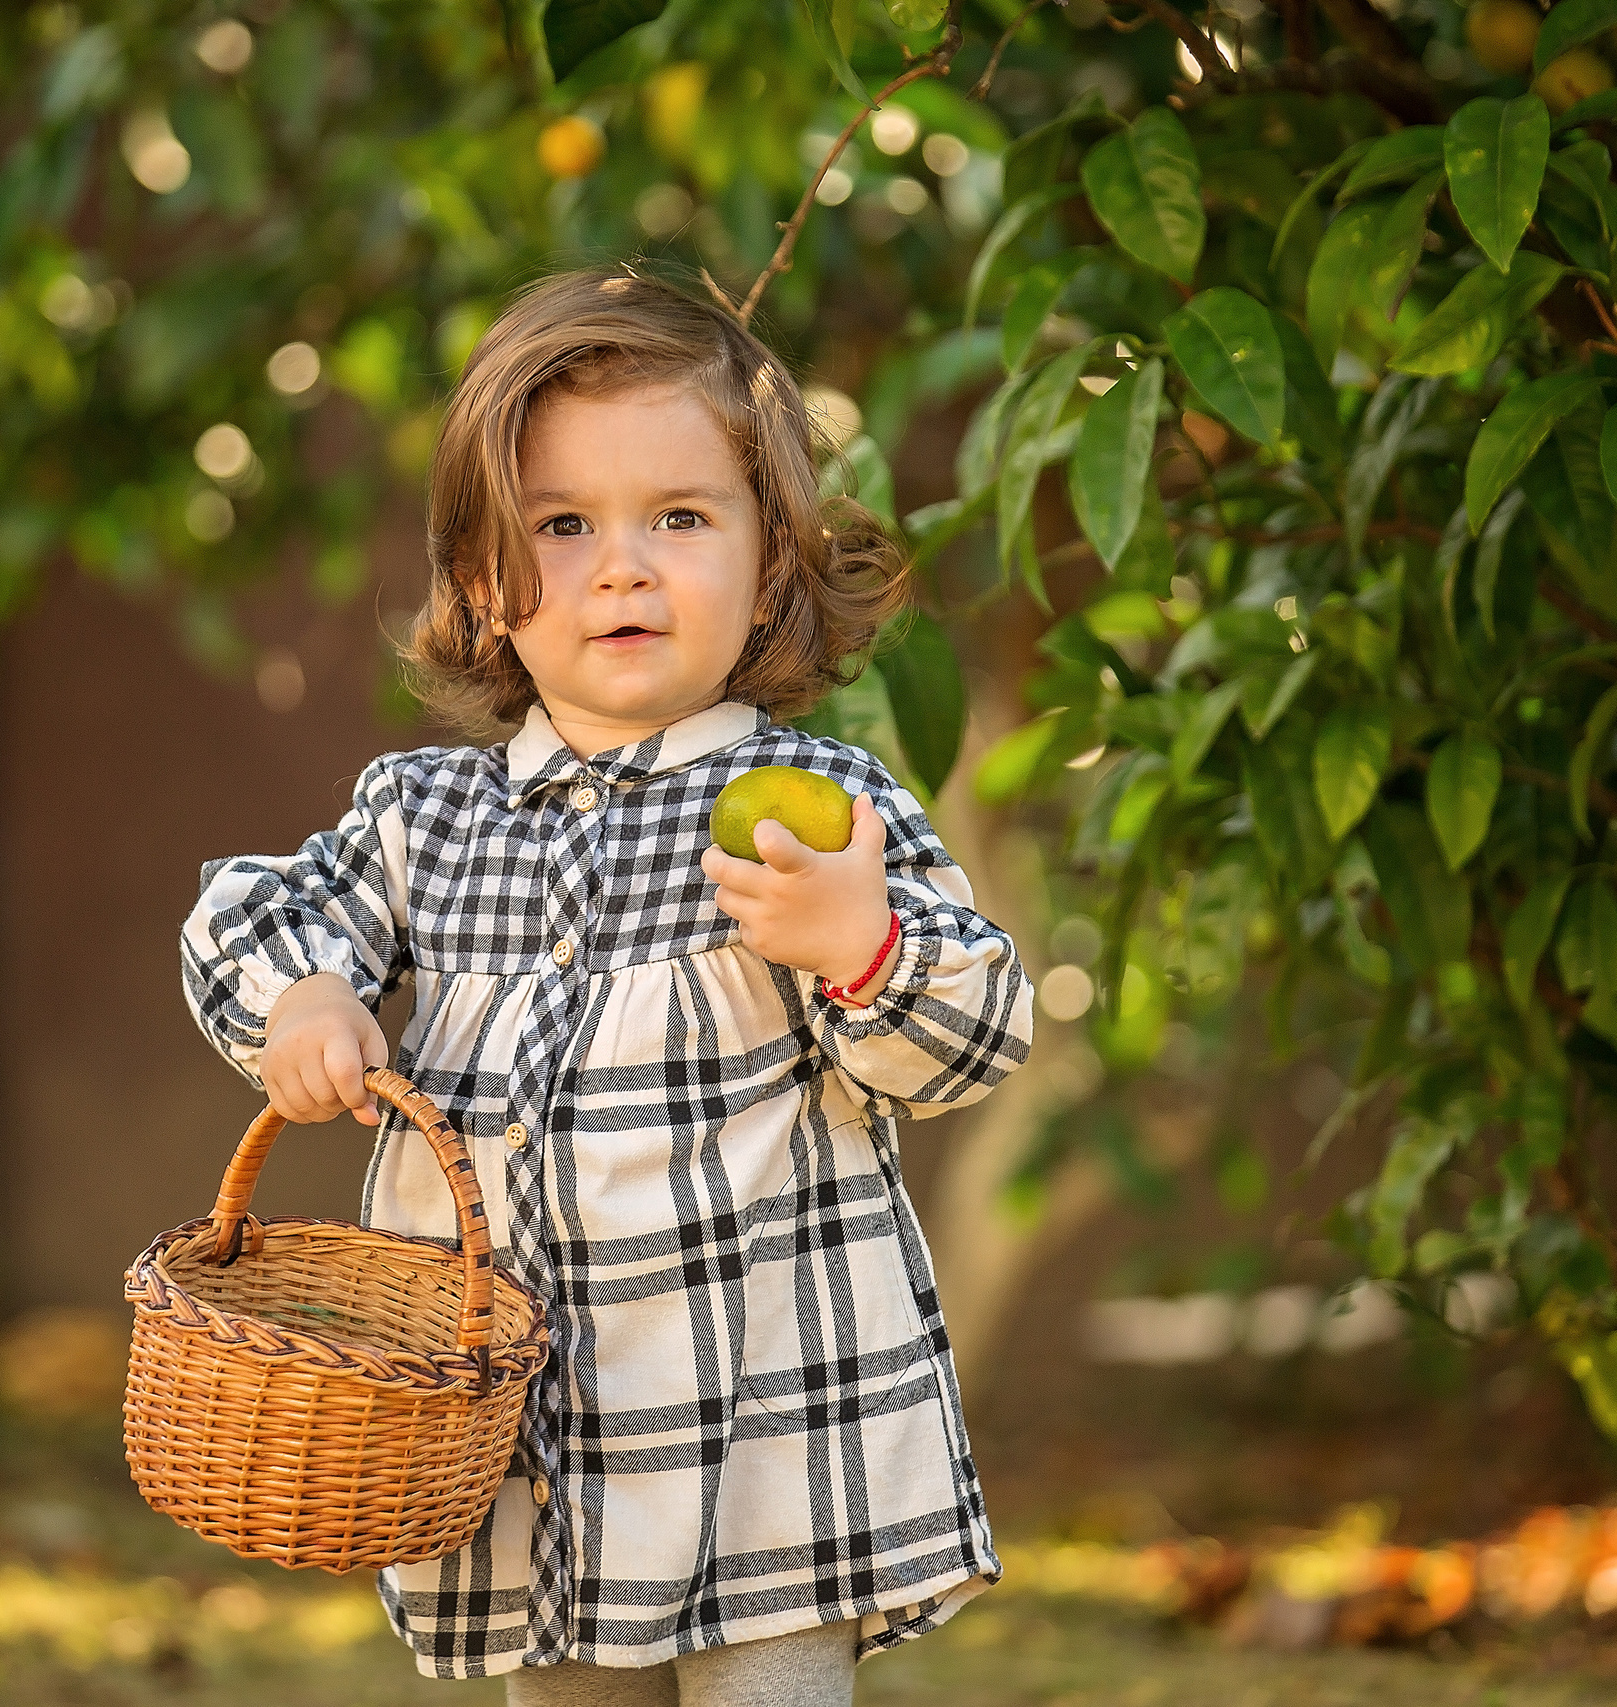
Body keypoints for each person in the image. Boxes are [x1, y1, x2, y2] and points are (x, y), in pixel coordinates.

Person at [178, 265, 1035, 1704]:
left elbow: (973, 1031)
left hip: (765, 1430)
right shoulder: (427, 819)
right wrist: (306, 1002)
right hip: (523, 1447)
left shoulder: (809, 800)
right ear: (483, 583)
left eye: (679, 519)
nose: (621, 567)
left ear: (769, 562)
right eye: (562, 526)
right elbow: (251, 915)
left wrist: (857, 948)